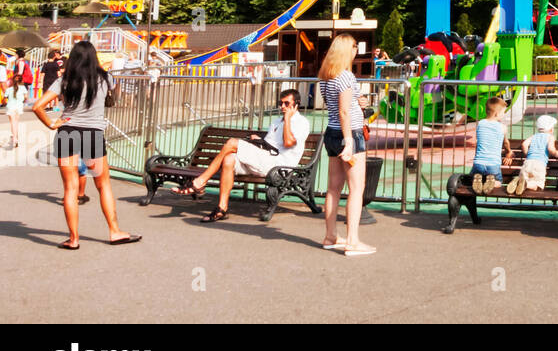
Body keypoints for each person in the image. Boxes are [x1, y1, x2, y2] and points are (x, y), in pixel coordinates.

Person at [32, 40, 141, 249]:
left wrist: (52, 124)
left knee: (70, 188)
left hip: (67, 133)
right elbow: (114, 95)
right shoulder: (105, 78)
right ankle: (115, 231)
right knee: (103, 185)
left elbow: (38, 106)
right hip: (93, 135)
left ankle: (73, 239)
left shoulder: (65, 80)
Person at [172, 89, 311, 223]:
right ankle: (222, 208)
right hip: (266, 159)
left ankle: (201, 181)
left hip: (279, 166)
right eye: (281, 103)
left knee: (232, 142)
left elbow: (288, 143)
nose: (282, 106)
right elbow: (272, 145)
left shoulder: (302, 122)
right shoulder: (276, 122)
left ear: (296, 104)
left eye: (287, 103)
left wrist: (287, 119)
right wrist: (260, 140)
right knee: (229, 159)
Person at [319, 33, 374, 256]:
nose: (356, 50)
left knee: (333, 188)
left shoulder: (325, 77)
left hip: (332, 132)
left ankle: (330, 235)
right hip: (349, 134)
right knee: (356, 188)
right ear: (346, 50)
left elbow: (340, 106)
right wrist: (349, 141)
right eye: (354, 46)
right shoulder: (346, 76)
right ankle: (352, 240)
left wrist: (359, 101)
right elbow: (344, 111)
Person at [469, 96, 513, 193]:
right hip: (493, 165)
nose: (504, 114)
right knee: (499, 182)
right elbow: (505, 143)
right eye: (503, 112)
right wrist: (509, 152)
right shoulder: (502, 127)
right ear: (497, 113)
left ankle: (477, 179)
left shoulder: (480, 124)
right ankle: (493, 182)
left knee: (472, 176)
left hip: (478, 163)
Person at [506, 113, 558, 195]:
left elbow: (524, 144)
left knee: (524, 179)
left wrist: (527, 154)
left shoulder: (534, 136)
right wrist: (556, 153)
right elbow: (551, 149)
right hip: (540, 164)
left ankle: (519, 183)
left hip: (528, 162)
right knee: (538, 185)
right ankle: (526, 184)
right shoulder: (550, 137)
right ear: (551, 129)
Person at [2, 55, 17, 150]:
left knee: (12, 121)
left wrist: (5, 100)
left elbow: (5, 97)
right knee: (15, 122)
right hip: (17, 107)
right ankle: (15, 138)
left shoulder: (8, 90)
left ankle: (14, 138)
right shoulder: (21, 89)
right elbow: (25, 98)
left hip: (11, 107)